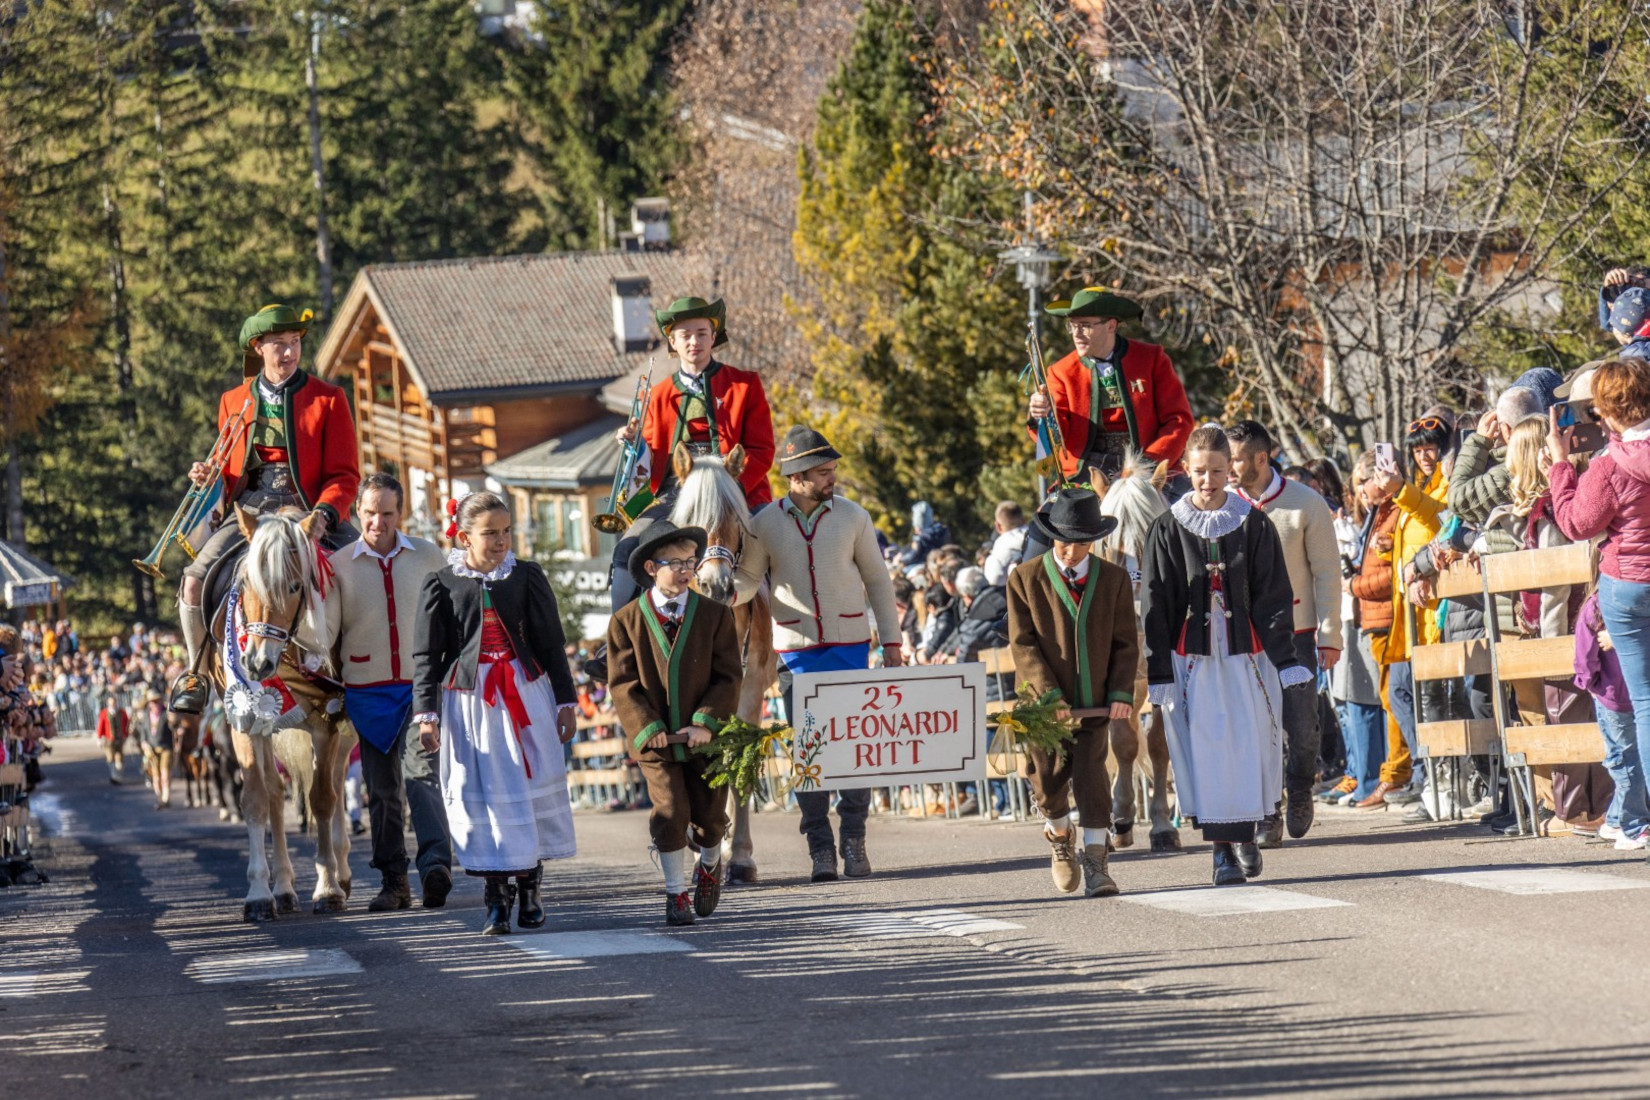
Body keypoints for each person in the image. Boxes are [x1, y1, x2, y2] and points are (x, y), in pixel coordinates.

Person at [1141, 425, 1311, 886]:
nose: (1208, 480)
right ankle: (1220, 850)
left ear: (1229, 469)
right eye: (1199, 472)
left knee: (1250, 743)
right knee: (1208, 750)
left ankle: (1249, 833)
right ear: (1186, 471)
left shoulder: (1253, 523)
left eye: (1217, 470)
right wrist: (1159, 670)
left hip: (1246, 653)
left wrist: (1285, 655)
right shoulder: (1167, 527)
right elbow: (1157, 603)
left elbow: (1275, 594)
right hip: (1194, 657)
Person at [171, 304, 361, 714]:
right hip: (251, 513)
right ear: (258, 347)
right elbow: (229, 472)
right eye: (279, 344)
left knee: (363, 577)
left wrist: (325, 516)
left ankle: (367, 675)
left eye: (294, 343)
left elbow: (345, 475)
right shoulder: (232, 400)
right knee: (191, 582)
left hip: (310, 510)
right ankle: (197, 673)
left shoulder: (329, 399)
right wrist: (209, 477)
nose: (289, 352)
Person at [734, 426, 904, 883]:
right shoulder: (763, 523)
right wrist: (722, 589)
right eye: (823, 471)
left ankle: (854, 838)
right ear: (796, 476)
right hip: (797, 655)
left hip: (850, 647)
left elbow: (878, 581)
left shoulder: (854, 517)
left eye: (832, 470)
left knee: (854, 750)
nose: (832, 477)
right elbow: (749, 581)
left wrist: (891, 642)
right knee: (809, 755)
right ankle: (820, 848)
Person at [413, 492, 579, 935]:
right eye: (490, 533)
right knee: (484, 796)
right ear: (465, 537)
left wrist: (566, 702)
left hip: (525, 693)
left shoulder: (525, 577)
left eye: (506, 531)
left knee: (524, 787)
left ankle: (529, 888)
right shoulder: (443, 584)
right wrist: (426, 714)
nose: (502, 540)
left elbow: (550, 644)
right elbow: (428, 656)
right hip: (470, 704)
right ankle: (495, 899)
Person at [607, 521, 744, 925]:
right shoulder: (626, 621)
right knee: (670, 812)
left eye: (691, 561)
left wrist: (707, 722)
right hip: (658, 741)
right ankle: (675, 894)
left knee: (711, 816)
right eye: (675, 563)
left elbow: (728, 676)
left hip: (705, 740)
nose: (686, 570)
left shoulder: (715, 615)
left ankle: (709, 862)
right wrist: (650, 731)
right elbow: (623, 684)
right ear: (651, 568)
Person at [1005, 488, 1139, 897]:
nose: (1071, 552)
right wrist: (1049, 697)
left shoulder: (1114, 579)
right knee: (1047, 780)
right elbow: (1022, 645)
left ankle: (1097, 861)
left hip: (1096, 702)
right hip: (1044, 709)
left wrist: (1120, 691)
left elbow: (1125, 642)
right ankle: (1061, 837)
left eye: (1082, 543)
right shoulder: (1024, 579)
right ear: (1051, 538)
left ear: (1093, 541)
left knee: (1092, 778)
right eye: (1064, 542)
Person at [334, 473, 454, 912]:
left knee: (422, 774)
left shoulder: (428, 556)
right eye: (370, 513)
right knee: (381, 789)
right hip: (366, 691)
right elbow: (328, 631)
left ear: (399, 514)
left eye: (387, 513)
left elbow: (451, 616)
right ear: (356, 513)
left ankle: (436, 867)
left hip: (419, 688)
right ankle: (393, 881)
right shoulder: (339, 564)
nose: (378, 522)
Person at [1548, 358, 1650, 864]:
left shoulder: (1611, 465)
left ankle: (1638, 820)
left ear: (1606, 410)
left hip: (1628, 586)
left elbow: (1576, 523)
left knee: (1646, 702)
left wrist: (1560, 466)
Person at [1228, 420, 1342, 843]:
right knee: (1255, 726)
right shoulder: (1222, 506)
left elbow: (1327, 573)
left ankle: (1299, 786)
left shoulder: (1305, 503)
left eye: (1236, 458)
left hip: (1296, 633)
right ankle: (1267, 808)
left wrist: (1330, 635)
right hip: (1242, 638)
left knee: (1302, 721)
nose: (1229, 465)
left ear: (1261, 458)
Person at [1026, 287, 1195, 493]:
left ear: (1111, 325)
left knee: (1185, 517)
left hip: (1148, 464)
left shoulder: (1151, 359)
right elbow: (1058, 435)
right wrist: (1041, 415)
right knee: (1043, 524)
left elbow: (1179, 420)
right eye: (1073, 326)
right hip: (1086, 471)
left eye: (1085, 326)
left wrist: (1150, 463)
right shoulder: (1060, 372)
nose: (1077, 334)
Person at [138, 690, 173, 810]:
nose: (155, 704)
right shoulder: (146, 716)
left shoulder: (166, 714)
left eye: (157, 702)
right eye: (152, 702)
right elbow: (143, 731)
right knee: (156, 775)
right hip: (151, 749)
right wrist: (143, 742)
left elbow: (173, 727)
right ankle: (159, 797)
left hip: (165, 748)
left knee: (165, 773)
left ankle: (166, 797)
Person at [983, 502, 1030, 585]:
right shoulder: (1036, 535)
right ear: (1023, 520)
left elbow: (994, 579)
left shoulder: (1001, 545)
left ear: (998, 526)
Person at [95, 695, 130, 784]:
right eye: (110, 703)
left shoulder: (122, 712)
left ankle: (118, 774)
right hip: (109, 739)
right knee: (110, 758)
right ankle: (113, 775)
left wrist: (126, 735)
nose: (112, 705)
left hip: (120, 738)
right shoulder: (104, 713)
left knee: (120, 759)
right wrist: (99, 738)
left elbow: (126, 724)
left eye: (114, 703)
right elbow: (100, 726)